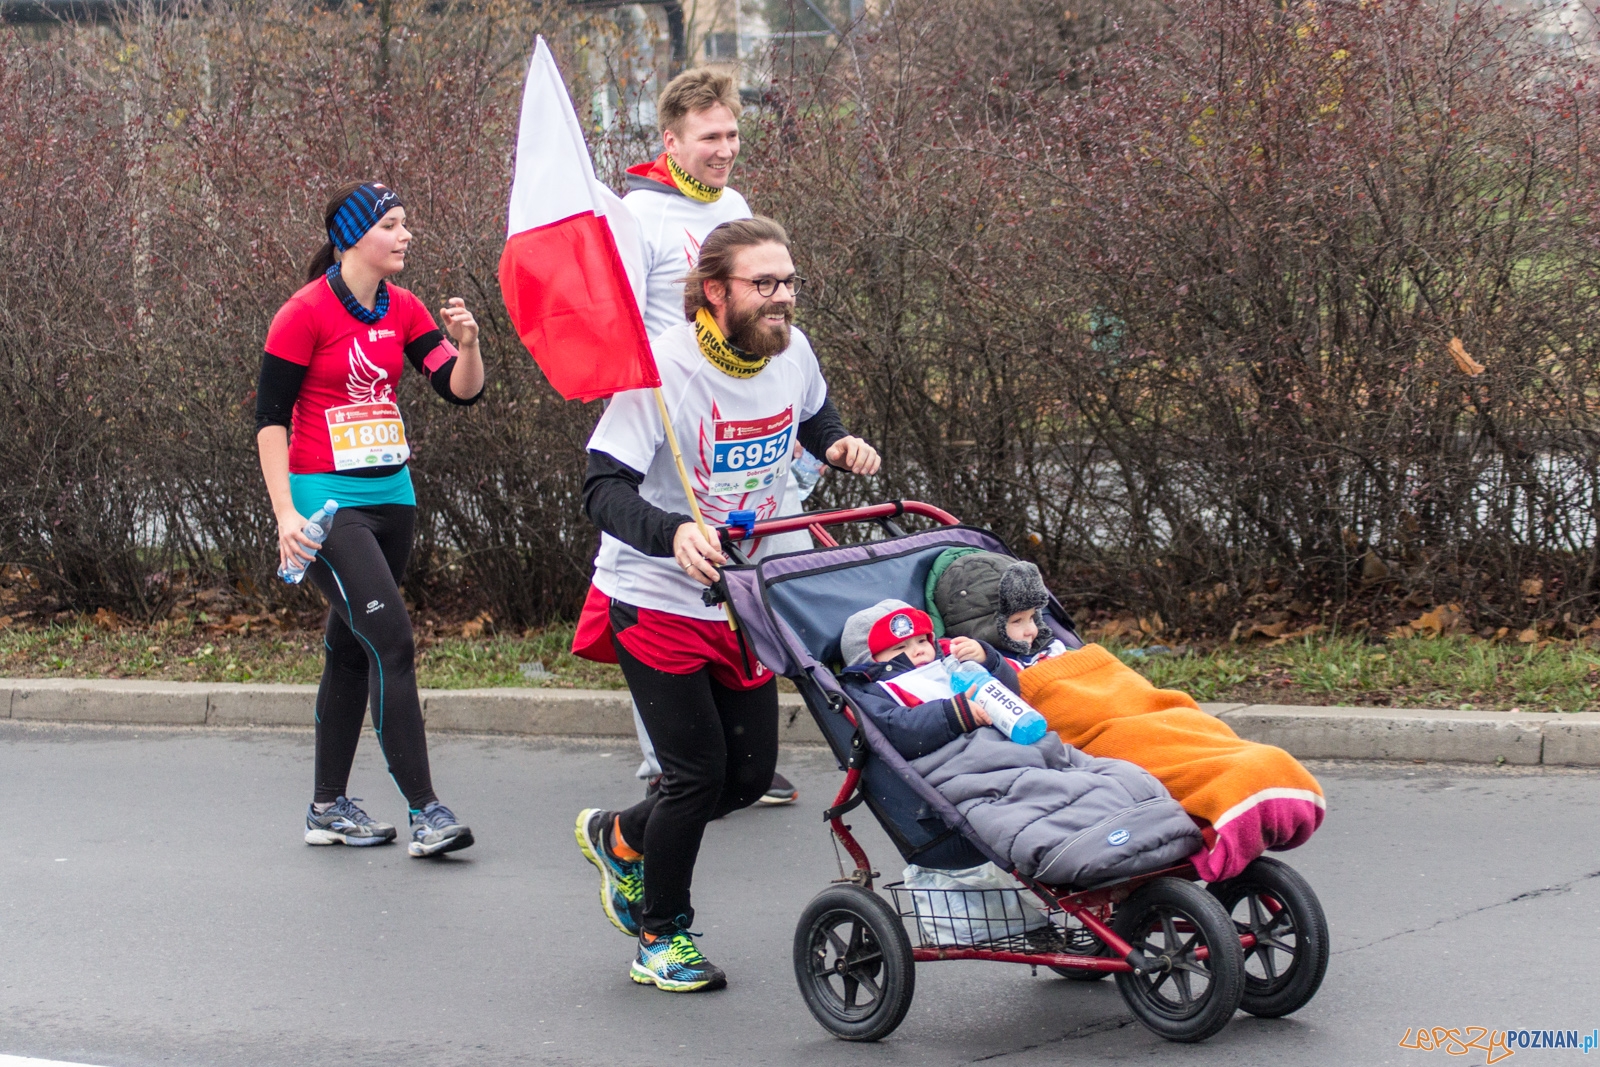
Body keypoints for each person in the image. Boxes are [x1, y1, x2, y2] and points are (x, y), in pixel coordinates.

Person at [573, 217, 880, 992]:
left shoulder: (792, 349)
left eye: (789, 283)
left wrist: (835, 444)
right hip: (656, 594)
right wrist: (672, 532)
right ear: (715, 292)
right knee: (695, 774)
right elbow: (600, 488)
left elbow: (811, 414)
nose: (783, 299)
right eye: (765, 285)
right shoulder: (662, 370)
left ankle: (619, 835)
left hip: (744, 593)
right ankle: (660, 936)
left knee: (746, 777)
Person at [255, 180, 481, 858]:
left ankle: (327, 806)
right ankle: (427, 812)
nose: (406, 235)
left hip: (394, 499)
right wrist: (285, 514)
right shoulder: (303, 313)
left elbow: (456, 389)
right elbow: (269, 421)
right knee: (393, 640)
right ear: (354, 235)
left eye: (405, 222)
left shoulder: (404, 308)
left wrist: (468, 345)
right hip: (328, 506)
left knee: (353, 644)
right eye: (392, 224)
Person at [619, 66, 802, 805]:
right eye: (709, 137)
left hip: (733, 405)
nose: (724, 149)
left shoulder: (734, 204)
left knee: (741, 567)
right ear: (671, 140)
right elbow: (622, 324)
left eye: (732, 134)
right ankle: (667, 759)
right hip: (667, 418)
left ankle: (730, 750)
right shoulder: (638, 214)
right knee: (658, 585)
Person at [836, 601, 1203, 888]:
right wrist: (958, 714)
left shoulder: (950, 663)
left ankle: (1144, 817)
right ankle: (1091, 841)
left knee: (1092, 771)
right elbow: (896, 731)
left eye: (921, 640)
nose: (918, 652)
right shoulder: (874, 690)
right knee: (1030, 795)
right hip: (968, 764)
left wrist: (989, 660)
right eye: (900, 647)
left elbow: (1010, 692)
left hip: (1025, 744)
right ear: (870, 660)